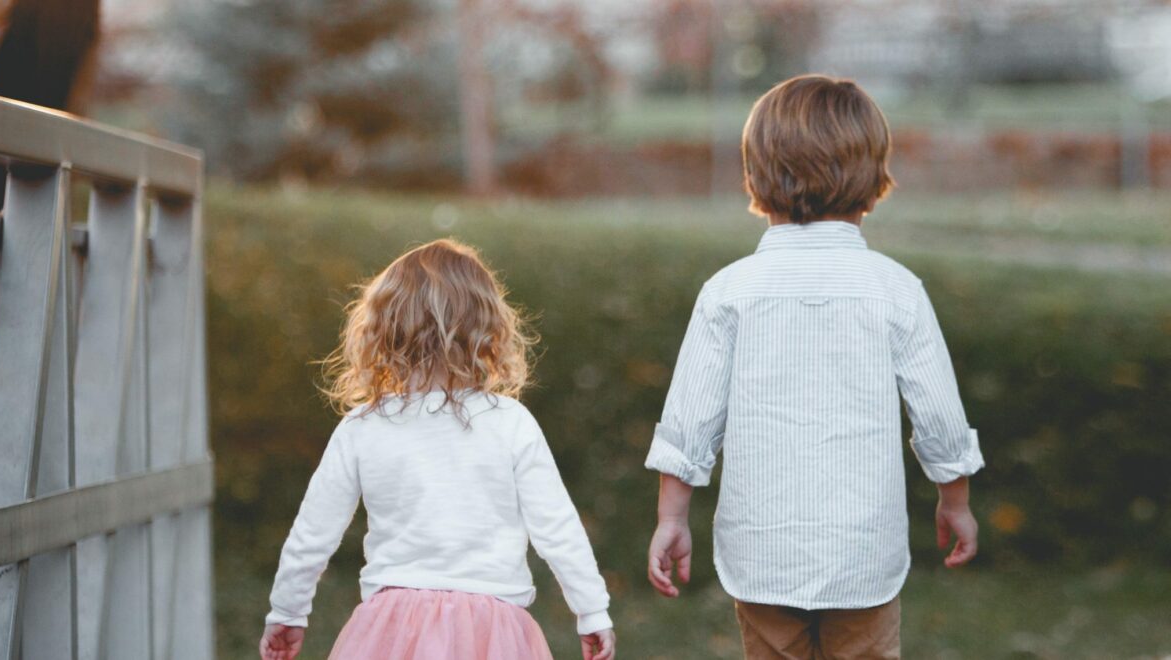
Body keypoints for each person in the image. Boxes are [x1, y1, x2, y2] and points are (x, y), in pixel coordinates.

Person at [644, 74, 984, 659]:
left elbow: (688, 421)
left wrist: (672, 517)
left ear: (755, 174)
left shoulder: (729, 293)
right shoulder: (895, 291)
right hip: (863, 557)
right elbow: (940, 420)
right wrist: (955, 503)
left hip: (762, 553)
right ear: (874, 179)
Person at [261, 239, 615, 660]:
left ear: (383, 327)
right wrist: (592, 611)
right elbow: (557, 528)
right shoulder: (510, 422)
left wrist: (287, 610)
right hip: (493, 633)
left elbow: (312, 534)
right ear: (487, 328)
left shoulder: (362, 426)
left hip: (388, 634)